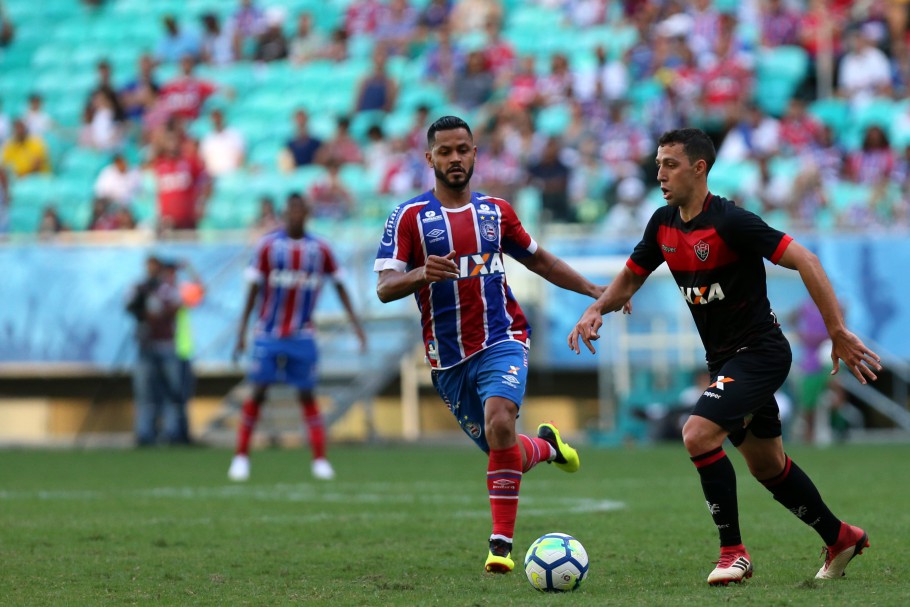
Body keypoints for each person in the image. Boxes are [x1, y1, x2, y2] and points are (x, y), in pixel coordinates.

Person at [568, 128, 882, 585]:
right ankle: (841, 537)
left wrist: (836, 331)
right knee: (767, 465)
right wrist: (597, 308)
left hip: (760, 353)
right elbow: (631, 277)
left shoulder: (732, 222)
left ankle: (734, 553)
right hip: (724, 362)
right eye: (657, 165)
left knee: (697, 435)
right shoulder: (662, 224)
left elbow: (808, 260)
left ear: (699, 168)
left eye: (670, 165)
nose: (660, 175)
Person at [374, 115, 626, 574]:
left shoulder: (496, 212)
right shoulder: (409, 217)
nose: (455, 158)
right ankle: (546, 446)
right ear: (429, 158)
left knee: (500, 420)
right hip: (448, 359)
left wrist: (595, 291)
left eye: (462, 150)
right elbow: (385, 287)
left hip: (503, 337)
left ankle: (501, 546)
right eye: (445, 152)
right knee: (502, 448)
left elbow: (540, 261)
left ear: (474, 154)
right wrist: (421, 273)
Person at [229, 192, 367, 482]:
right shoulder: (268, 246)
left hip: (302, 335)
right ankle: (241, 457)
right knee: (258, 391)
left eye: (300, 210)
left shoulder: (320, 249)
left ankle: (320, 460)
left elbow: (340, 285)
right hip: (268, 333)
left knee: (307, 394)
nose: (295, 215)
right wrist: (241, 332)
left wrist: (356, 326)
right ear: (284, 214)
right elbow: (253, 289)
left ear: (307, 214)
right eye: (291, 210)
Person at [125, 255, 184, 446]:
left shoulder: (168, 288)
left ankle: (172, 433)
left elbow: (176, 307)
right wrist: (141, 307)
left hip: (166, 344)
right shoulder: (139, 287)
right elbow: (129, 306)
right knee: (144, 392)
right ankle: (145, 433)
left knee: (171, 391)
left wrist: (158, 313)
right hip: (146, 345)